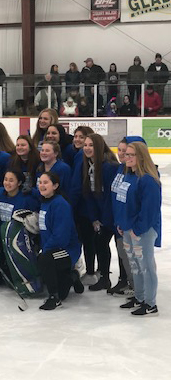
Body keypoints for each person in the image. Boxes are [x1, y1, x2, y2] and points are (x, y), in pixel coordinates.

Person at [115, 141, 161, 316]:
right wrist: (121, 223)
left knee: (146, 266)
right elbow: (123, 203)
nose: (126, 157)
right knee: (135, 266)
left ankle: (150, 303)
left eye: (131, 155)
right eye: (126, 154)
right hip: (127, 228)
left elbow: (149, 209)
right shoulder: (129, 176)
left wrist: (138, 228)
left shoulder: (148, 180)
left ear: (141, 156)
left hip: (142, 231)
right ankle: (140, 297)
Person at [36, 172, 82, 310]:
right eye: (40, 182)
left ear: (55, 185)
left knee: (45, 259)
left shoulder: (60, 205)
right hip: (52, 249)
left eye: (46, 183)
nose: (42, 185)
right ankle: (72, 276)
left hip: (67, 250)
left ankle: (54, 298)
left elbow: (60, 237)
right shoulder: (44, 202)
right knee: (63, 291)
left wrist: (44, 251)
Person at [80, 134, 119, 292]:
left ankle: (122, 279)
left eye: (91, 145)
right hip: (101, 215)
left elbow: (111, 196)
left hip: (112, 214)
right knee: (100, 243)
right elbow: (89, 194)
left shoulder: (109, 166)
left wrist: (105, 219)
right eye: (86, 145)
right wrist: (94, 218)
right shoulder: (88, 165)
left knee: (112, 244)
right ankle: (104, 277)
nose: (87, 148)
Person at [110, 136, 144, 297]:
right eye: (120, 150)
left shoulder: (141, 176)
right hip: (120, 223)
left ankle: (140, 292)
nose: (122, 154)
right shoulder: (121, 169)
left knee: (136, 262)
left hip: (132, 227)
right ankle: (131, 285)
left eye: (127, 152)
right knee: (125, 257)